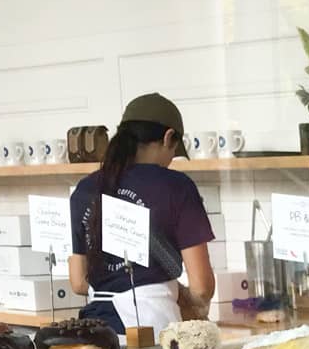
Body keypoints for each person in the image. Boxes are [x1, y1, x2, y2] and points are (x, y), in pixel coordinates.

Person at [69, 93, 216, 336]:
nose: (171, 160)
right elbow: (201, 288)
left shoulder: (85, 189)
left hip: (97, 333)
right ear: (169, 137)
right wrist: (188, 301)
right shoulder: (176, 186)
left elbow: (78, 282)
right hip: (153, 331)